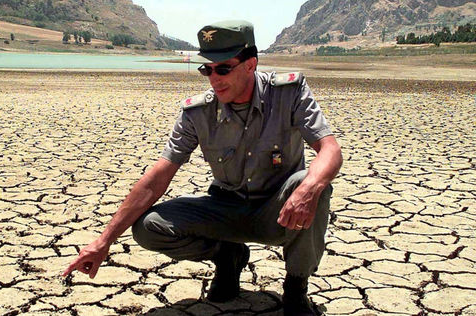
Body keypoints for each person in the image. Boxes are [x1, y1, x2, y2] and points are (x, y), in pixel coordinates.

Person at [63, 20, 342, 316]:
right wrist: (104, 241)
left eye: (223, 69)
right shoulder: (197, 112)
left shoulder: (288, 91)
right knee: (148, 227)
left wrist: (308, 189)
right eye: (206, 69)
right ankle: (228, 256)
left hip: (277, 212)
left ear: (251, 65)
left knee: (313, 184)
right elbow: (158, 176)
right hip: (226, 209)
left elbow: (330, 150)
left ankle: (296, 288)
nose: (213, 78)